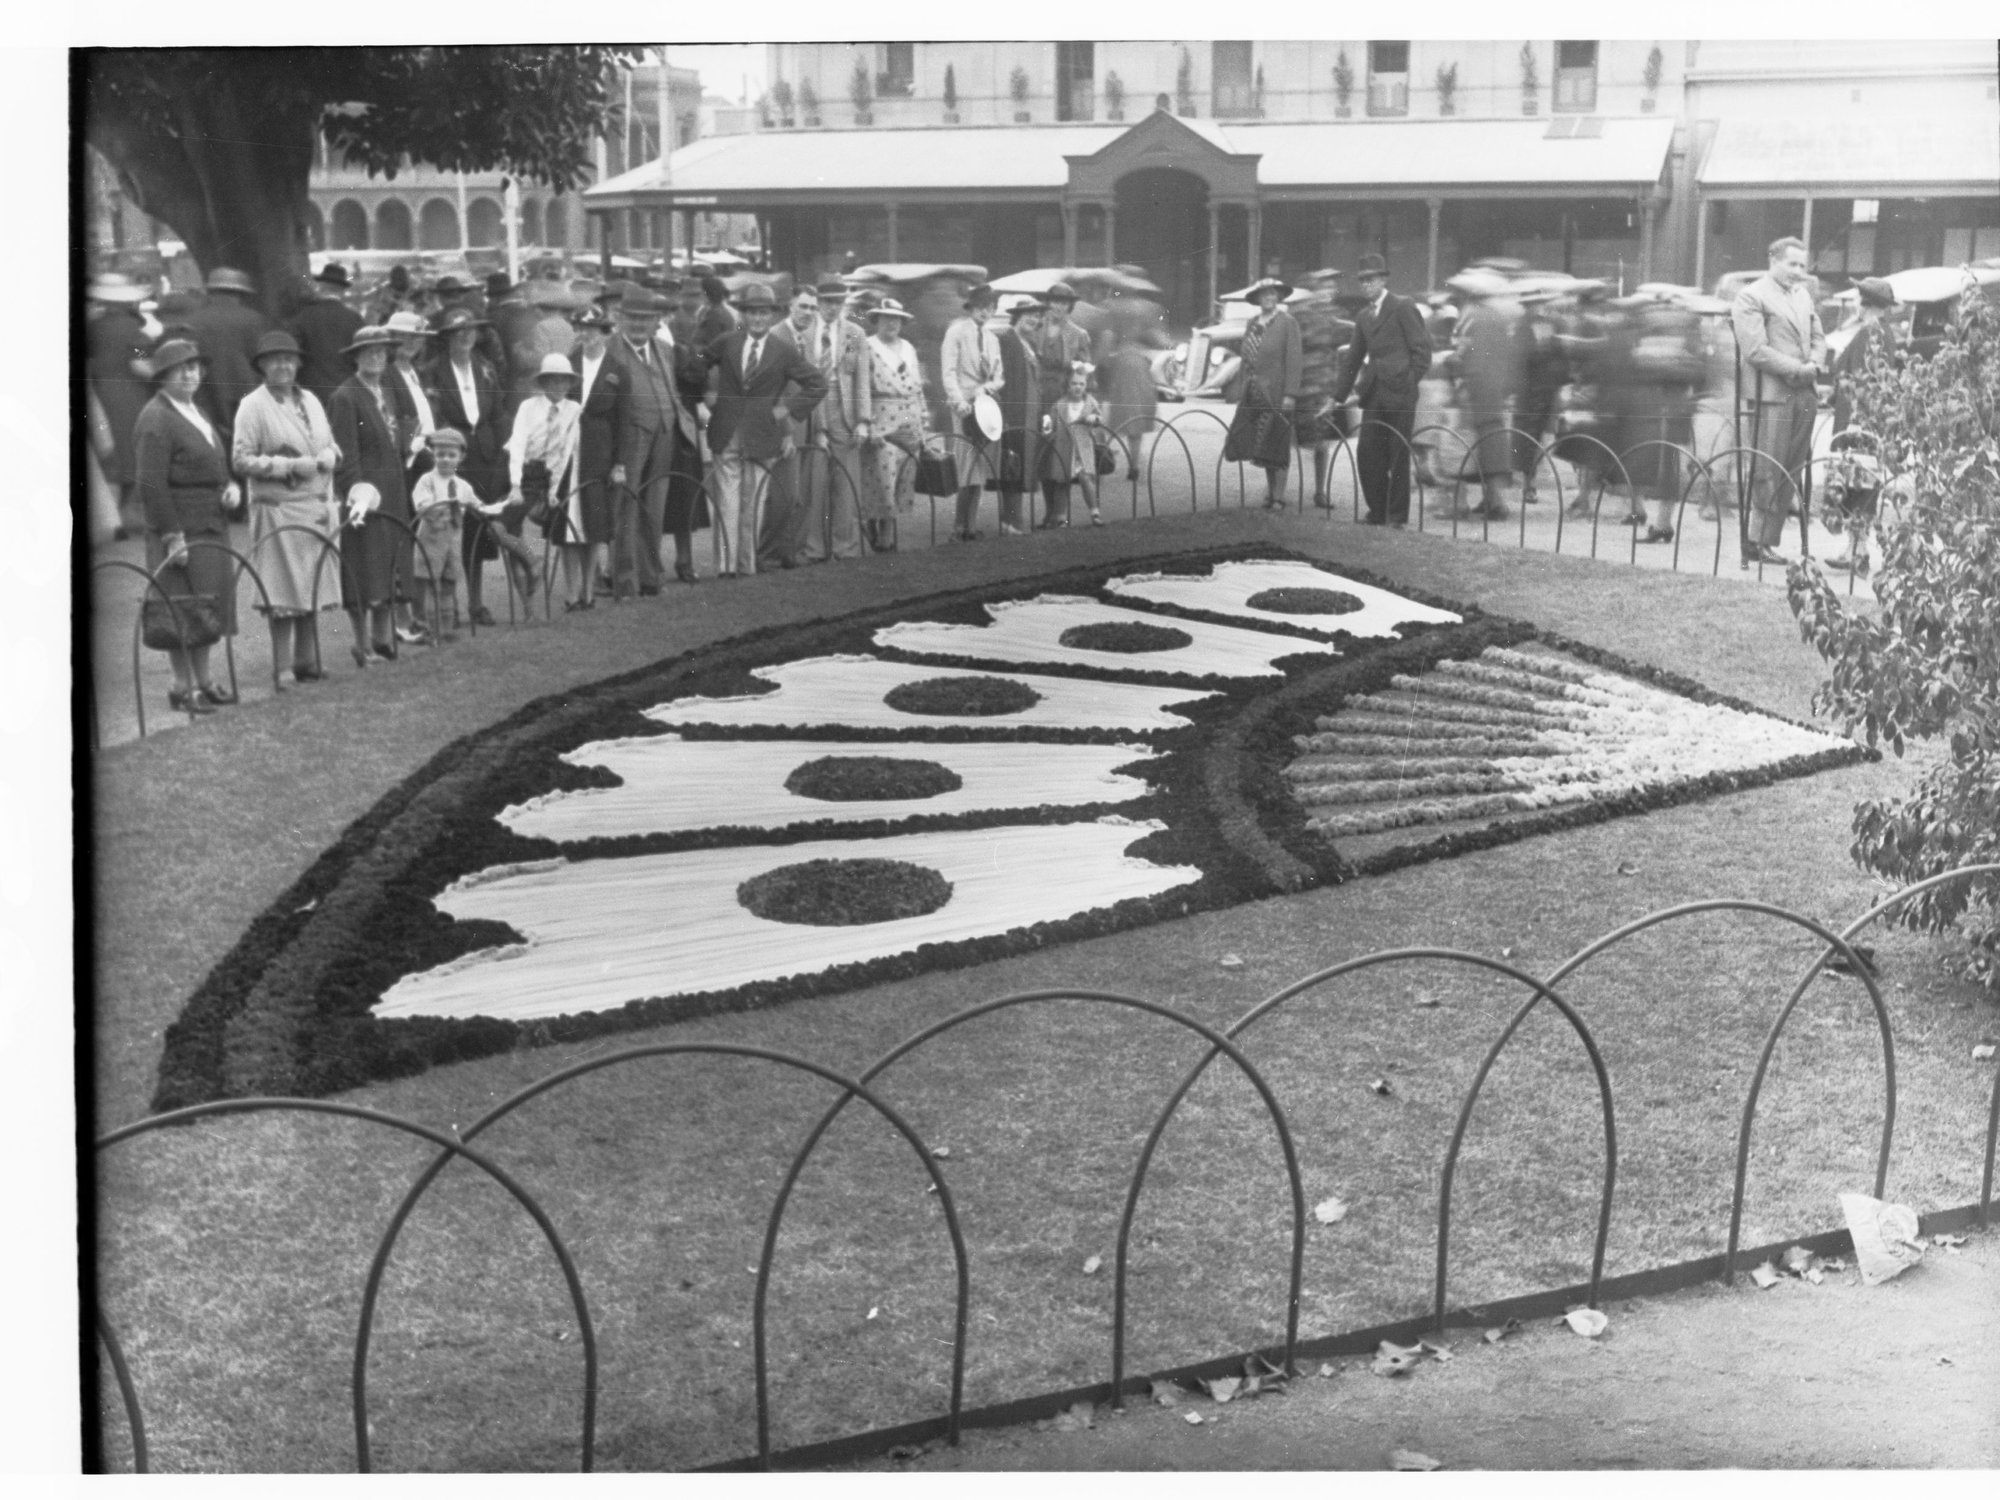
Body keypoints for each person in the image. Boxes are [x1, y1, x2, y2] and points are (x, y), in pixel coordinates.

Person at [132, 338, 239, 714]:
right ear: (163, 376)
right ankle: (183, 686)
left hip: (209, 524)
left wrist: (229, 486)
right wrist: (172, 535)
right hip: (179, 530)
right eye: (182, 368)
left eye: (195, 367)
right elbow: (151, 484)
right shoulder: (156, 418)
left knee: (206, 609)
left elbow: (213, 463)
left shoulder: (195, 410)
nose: (191, 373)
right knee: (181, 609)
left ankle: (205, 681)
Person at [232, 330, 338, 686]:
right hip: (277, 508)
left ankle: (307, 660)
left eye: (289, 358)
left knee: (310, 586)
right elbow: (241, 459)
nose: (283, 365)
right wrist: (287, 466)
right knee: (281, 592)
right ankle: (282, 667)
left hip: (314, 506)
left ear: (299, 363)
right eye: (275, 359)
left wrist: (328, 455)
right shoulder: (253, 405)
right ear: (261, 365)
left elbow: (329, 443)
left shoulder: (310, 399)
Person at [702, 282, 827, 576]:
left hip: (763, 436)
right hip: (727, 433)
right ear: (743, 315)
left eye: (764, 313)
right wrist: (702, 397)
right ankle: (726, 568)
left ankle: (746, 569)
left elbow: (817, 383)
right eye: (752, 313)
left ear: (772, 315)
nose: (758, 319)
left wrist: (786, 412)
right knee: (728, 503)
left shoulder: (782, 351)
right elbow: (697, 362)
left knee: (753, 505)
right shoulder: (725, 342)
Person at [1731, 235, 1824, 568]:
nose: (1799, 271)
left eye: (1803, 264)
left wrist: (1815, 363)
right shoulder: (1751, 296)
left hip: (1804, 394)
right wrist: (1799, 370)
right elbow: (1754, 349)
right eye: (1792, 263)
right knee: (1767, 468)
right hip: (1771, 395)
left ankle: (1768, 540)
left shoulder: (1802, 296)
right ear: (1774, 259)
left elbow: (1817, 336)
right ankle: (1756, 540)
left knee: (1792, 470)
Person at [327, 325, 417, 663]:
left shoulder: (387, 391)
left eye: (381, 351)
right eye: (369, 352)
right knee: (364, 566)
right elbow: (345, 455)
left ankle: (383, 636)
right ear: (356, 357)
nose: (376, 357)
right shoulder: (346, 396)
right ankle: (361, 642)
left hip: (392, 488)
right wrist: (355, 493)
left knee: (390, 563)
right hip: (364, 494)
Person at [605, 286, 701, 592]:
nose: (637, 324)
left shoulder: (663, 348)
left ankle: (650, 576)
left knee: (655, 509)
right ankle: (625, 579)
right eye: (631, 317)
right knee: (626, 505)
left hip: (664, 432)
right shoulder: (609, 349)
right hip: (629, 435)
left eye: (644, 319)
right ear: (620, 318)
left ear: (656, 321)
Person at [1330, 253, 1432, 527]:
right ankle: (1378, 510)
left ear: (1383, 280)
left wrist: (1408, 382)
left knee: (1398, 455)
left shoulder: (1402, 306)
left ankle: (1396, 517)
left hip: (1401, 393)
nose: (1366, 285)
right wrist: (1337, 396)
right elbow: (1353, 358)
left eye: (1371, 279)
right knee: (1367, 454)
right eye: (1362, 281)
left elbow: (1422, 351)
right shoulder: (1364, 316)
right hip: (1374, 394)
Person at [428, 304, 512, 622]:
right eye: (457, 332)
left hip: (486, 457)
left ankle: (476, 603)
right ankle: (448, 606)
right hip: (453, 459)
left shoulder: (485, 366)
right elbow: (436, 416)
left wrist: (504, 450)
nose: (465, 336)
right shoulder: (434, 370)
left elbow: (499, 411)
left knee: (478, 533)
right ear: (447, 337)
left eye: (470, 330)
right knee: (450, 533)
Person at [1824, 278, 1899, 575]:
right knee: (1862, 482)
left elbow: (1855, 374)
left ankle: (1856, 549)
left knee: (1857, 483)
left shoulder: (1871, 333)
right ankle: (1855, 547)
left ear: (1863, 302)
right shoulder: (1881, 333)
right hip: (1868, 417)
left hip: (1859, 418)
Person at [797, 276, 871, 562]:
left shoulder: (855, 333)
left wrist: (864, 419)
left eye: (838, 302)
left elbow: (862, 378)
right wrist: (817, 428)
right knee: (816, 485)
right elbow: (804, 383)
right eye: (827, 301)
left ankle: (845, 548)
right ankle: (815, 548)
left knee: (846, 485)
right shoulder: (804, 334)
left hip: (846, 413)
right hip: (816, 409)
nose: (832, 307)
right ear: (818, 302)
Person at [1447, 266, 1527, 522]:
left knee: (1463, 444)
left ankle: (1461, 505)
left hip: (1475, 390)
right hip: (1495, 390)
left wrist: (1454, 365)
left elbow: (1468, 356)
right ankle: (1494, 500)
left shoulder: (1473, 317)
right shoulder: (1496, 317)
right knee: (1491, 446)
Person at [505, 353, 583, 607]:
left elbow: (565, 452)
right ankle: (530, 561)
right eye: (553, 381)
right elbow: (517, 444)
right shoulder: (529, 407)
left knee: (539, 528)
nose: (558, 386)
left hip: (549, 478)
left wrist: (554, 489)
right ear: (544, 383)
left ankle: (534, 585)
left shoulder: (573, 411)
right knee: (500, 527)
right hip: (522, 473)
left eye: (564, 381)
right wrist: (515, 484)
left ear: (570, 384)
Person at [1222, 276, 1302, 511]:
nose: (1268, 297)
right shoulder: (1252, 323)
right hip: (1254, 392)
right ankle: (1270, 493)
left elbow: (1294, 361)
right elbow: (1246, 360)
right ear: (1257, 298)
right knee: (1263, 443)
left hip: (1277, 392)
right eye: (1264, 293)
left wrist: (1290, 394)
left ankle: (1278, 497)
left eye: (1272, 293)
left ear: (1278, 296)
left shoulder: (1288, 323)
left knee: (1278, 441)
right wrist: (1242, 387)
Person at [758, 287, 824, 569]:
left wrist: (819, 428)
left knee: (799, 495)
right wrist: (784, 431)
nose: (808, 313)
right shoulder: (775, 337)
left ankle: (788, 551)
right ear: (790, 307)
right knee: (782, 495)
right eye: (803, 306)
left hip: (805, 425)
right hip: (781, 426)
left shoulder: (806, 340)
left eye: (812, 308)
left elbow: (814, 386)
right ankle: (766, 554)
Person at [87, 273, 156, 538]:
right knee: (130, 454)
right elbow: (140, 365)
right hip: (129, 396)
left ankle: (110, 516)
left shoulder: (92, 327)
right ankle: (124, 518)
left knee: (108, 455)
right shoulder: (134, 332)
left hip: (100, 394)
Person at [856, 298, 929, 550]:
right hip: (882, 420)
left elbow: (918, 388)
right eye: (886, 318)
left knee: (904, 478)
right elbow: (861, 387)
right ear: (876, 320)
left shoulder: (908, 347)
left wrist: (924, 422)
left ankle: (887, 529)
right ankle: (878, 529)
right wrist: (868, 423)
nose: (891, 323)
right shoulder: (866, 346)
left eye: (896, 319)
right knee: (881, 477)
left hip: (910, 420)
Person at [941, 282, 1006, 541]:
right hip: (964, 407)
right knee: (966, 464)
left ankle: (971, 525)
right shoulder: (956, 332)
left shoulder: (991, 339)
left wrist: (986, 390)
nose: (985, 312)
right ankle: (959, 526)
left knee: (979, 464)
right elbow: (948, 372)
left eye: (990, 308)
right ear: (972, 308)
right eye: (980, 307)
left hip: (985, 406)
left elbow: (999, 376)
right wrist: (960, 402)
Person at [566, 304, 620, 606]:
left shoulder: (616, 370)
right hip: (567, 453)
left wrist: (619, 462)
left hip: (599, 453)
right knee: (566, 526)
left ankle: (589, 588)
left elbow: (622, 421)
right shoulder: (565, 364)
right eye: (582, 328)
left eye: (593, 329)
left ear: (604, 333)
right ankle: (571, 591)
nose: (587, 334)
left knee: (594, 523)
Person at [1291, 269, 1354, 509]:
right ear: (1311, 291)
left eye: (1330, 288)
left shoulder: (1337, 315)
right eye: (1322, 288)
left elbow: (1349, 336)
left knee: (1323, 440)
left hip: (1325, 384)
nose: (1328, 292)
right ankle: (1276, 490)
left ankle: (1320, 491)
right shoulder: (1298, 315)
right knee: (1292, 438)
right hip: (1301, 384)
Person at [1032, 281, 1094, 527]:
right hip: (1038, 398)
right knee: (1044, 456)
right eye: (1055, 301)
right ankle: (1048, 513)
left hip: (1063, 399)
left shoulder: (1078, 334)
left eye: (1064, 302)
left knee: (1062, 458)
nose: (1059, 306)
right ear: (1048, 302)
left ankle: (1060, 515)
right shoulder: (1036, 327)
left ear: (1070, 306)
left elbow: (1086, 373)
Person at [185, 266, 269, 433]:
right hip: (248, 391)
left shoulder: (193, 321)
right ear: (241, 293)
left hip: (205, 394)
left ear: (211, 291)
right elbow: (263, 360)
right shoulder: (254, 320)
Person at [407, 429, 471, 636]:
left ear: (461, 458)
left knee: (448, 585)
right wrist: (433, 507)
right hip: (432, 540)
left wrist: (489, 508)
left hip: (453, 541)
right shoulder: (427, 480)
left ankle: (446, 628)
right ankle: (433, 630)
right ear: (433, 455)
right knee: (431, 587)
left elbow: (474, 504)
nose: (445, 459)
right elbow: (421, 503)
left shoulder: (462, 485)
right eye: (440, 454)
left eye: (451, 455)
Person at [993, 297, 1048, 536]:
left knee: (1021, 465)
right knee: (1012, 465)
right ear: (1016, 315)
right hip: (1014, 412)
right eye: (1028, 314)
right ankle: (1012, 521)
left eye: (1036, 315)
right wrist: (1002, 412)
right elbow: (1001, 376)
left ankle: (1011, 520)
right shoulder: (1007, 338)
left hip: (1030, 412)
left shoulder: (1030, 344)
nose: (1033, 319)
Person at [1040, 360, 1108, 527]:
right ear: (1067, 385)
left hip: (1083, 449)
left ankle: (1095, 513)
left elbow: (1100, 420)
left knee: (1087, 479)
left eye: (1081, 384)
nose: (1078, 387)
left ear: (1086, 385)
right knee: (1062, 484)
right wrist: (1047, 424)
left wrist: (1094, 419)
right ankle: (1061, 518)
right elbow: (1051, 424)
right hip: (1064, 449)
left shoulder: (1090, 402)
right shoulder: (1061, 404)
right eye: (1074, 384)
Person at [289, 262, 364, 408]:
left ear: (321, 287)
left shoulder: (303, 317)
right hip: (347, 393)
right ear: (342, 291)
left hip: (311, 393)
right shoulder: (355, 320)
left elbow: (293, 353)